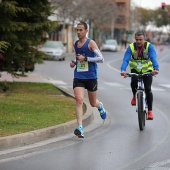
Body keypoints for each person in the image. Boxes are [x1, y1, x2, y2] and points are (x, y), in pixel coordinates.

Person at [70, 21, 107, 138]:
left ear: (86, 31)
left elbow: (101, 59)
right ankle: (80, 128)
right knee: (79, 100)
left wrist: (85, 58)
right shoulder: (75, 44)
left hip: (91, 76)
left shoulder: (91, 43)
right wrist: (74, 62)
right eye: (77, 30)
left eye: (81, 30)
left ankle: (100, 106)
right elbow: (78, 59)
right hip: (79, 76)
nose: (79, 32)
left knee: (92, 102)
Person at [120, 30, 159, 120]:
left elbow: (153, 58)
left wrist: (156, 68)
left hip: (147, 71)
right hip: (135, 70)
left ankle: (150, 112)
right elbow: (126, 59)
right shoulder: (131, 47)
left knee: (148, 89)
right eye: (137, 39)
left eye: (140, 39)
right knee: (133, 84)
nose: (138, 41)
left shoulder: (149, 46)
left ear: (144, 39)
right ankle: (134, 95)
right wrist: (123, 70)